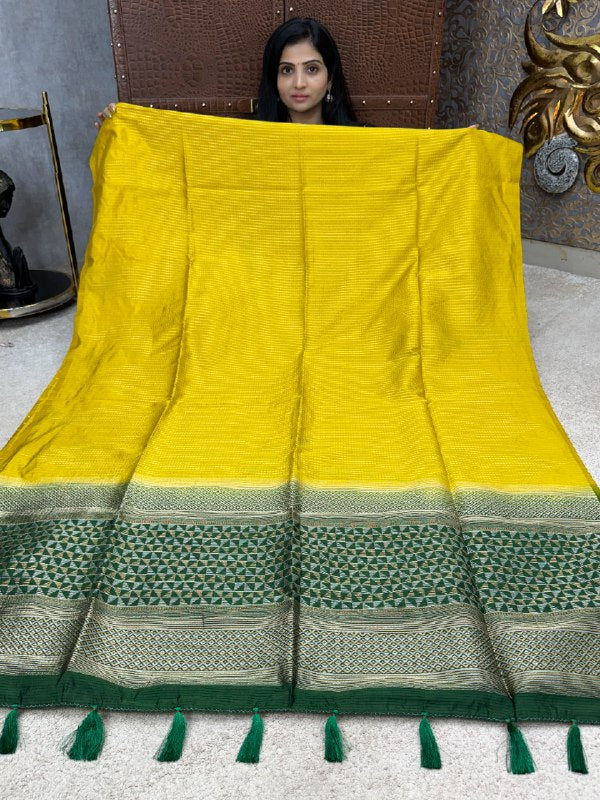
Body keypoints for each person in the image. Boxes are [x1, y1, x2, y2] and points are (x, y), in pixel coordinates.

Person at [95, 17, 479, 130]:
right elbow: (182, 158)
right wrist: (128, 128)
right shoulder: (245, 139)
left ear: (330, 78)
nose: (298, 83)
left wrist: (457, 152)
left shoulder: (361, 142)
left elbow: (412, 174)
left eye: (311, 69)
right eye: (286, 70)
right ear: (273, 79)